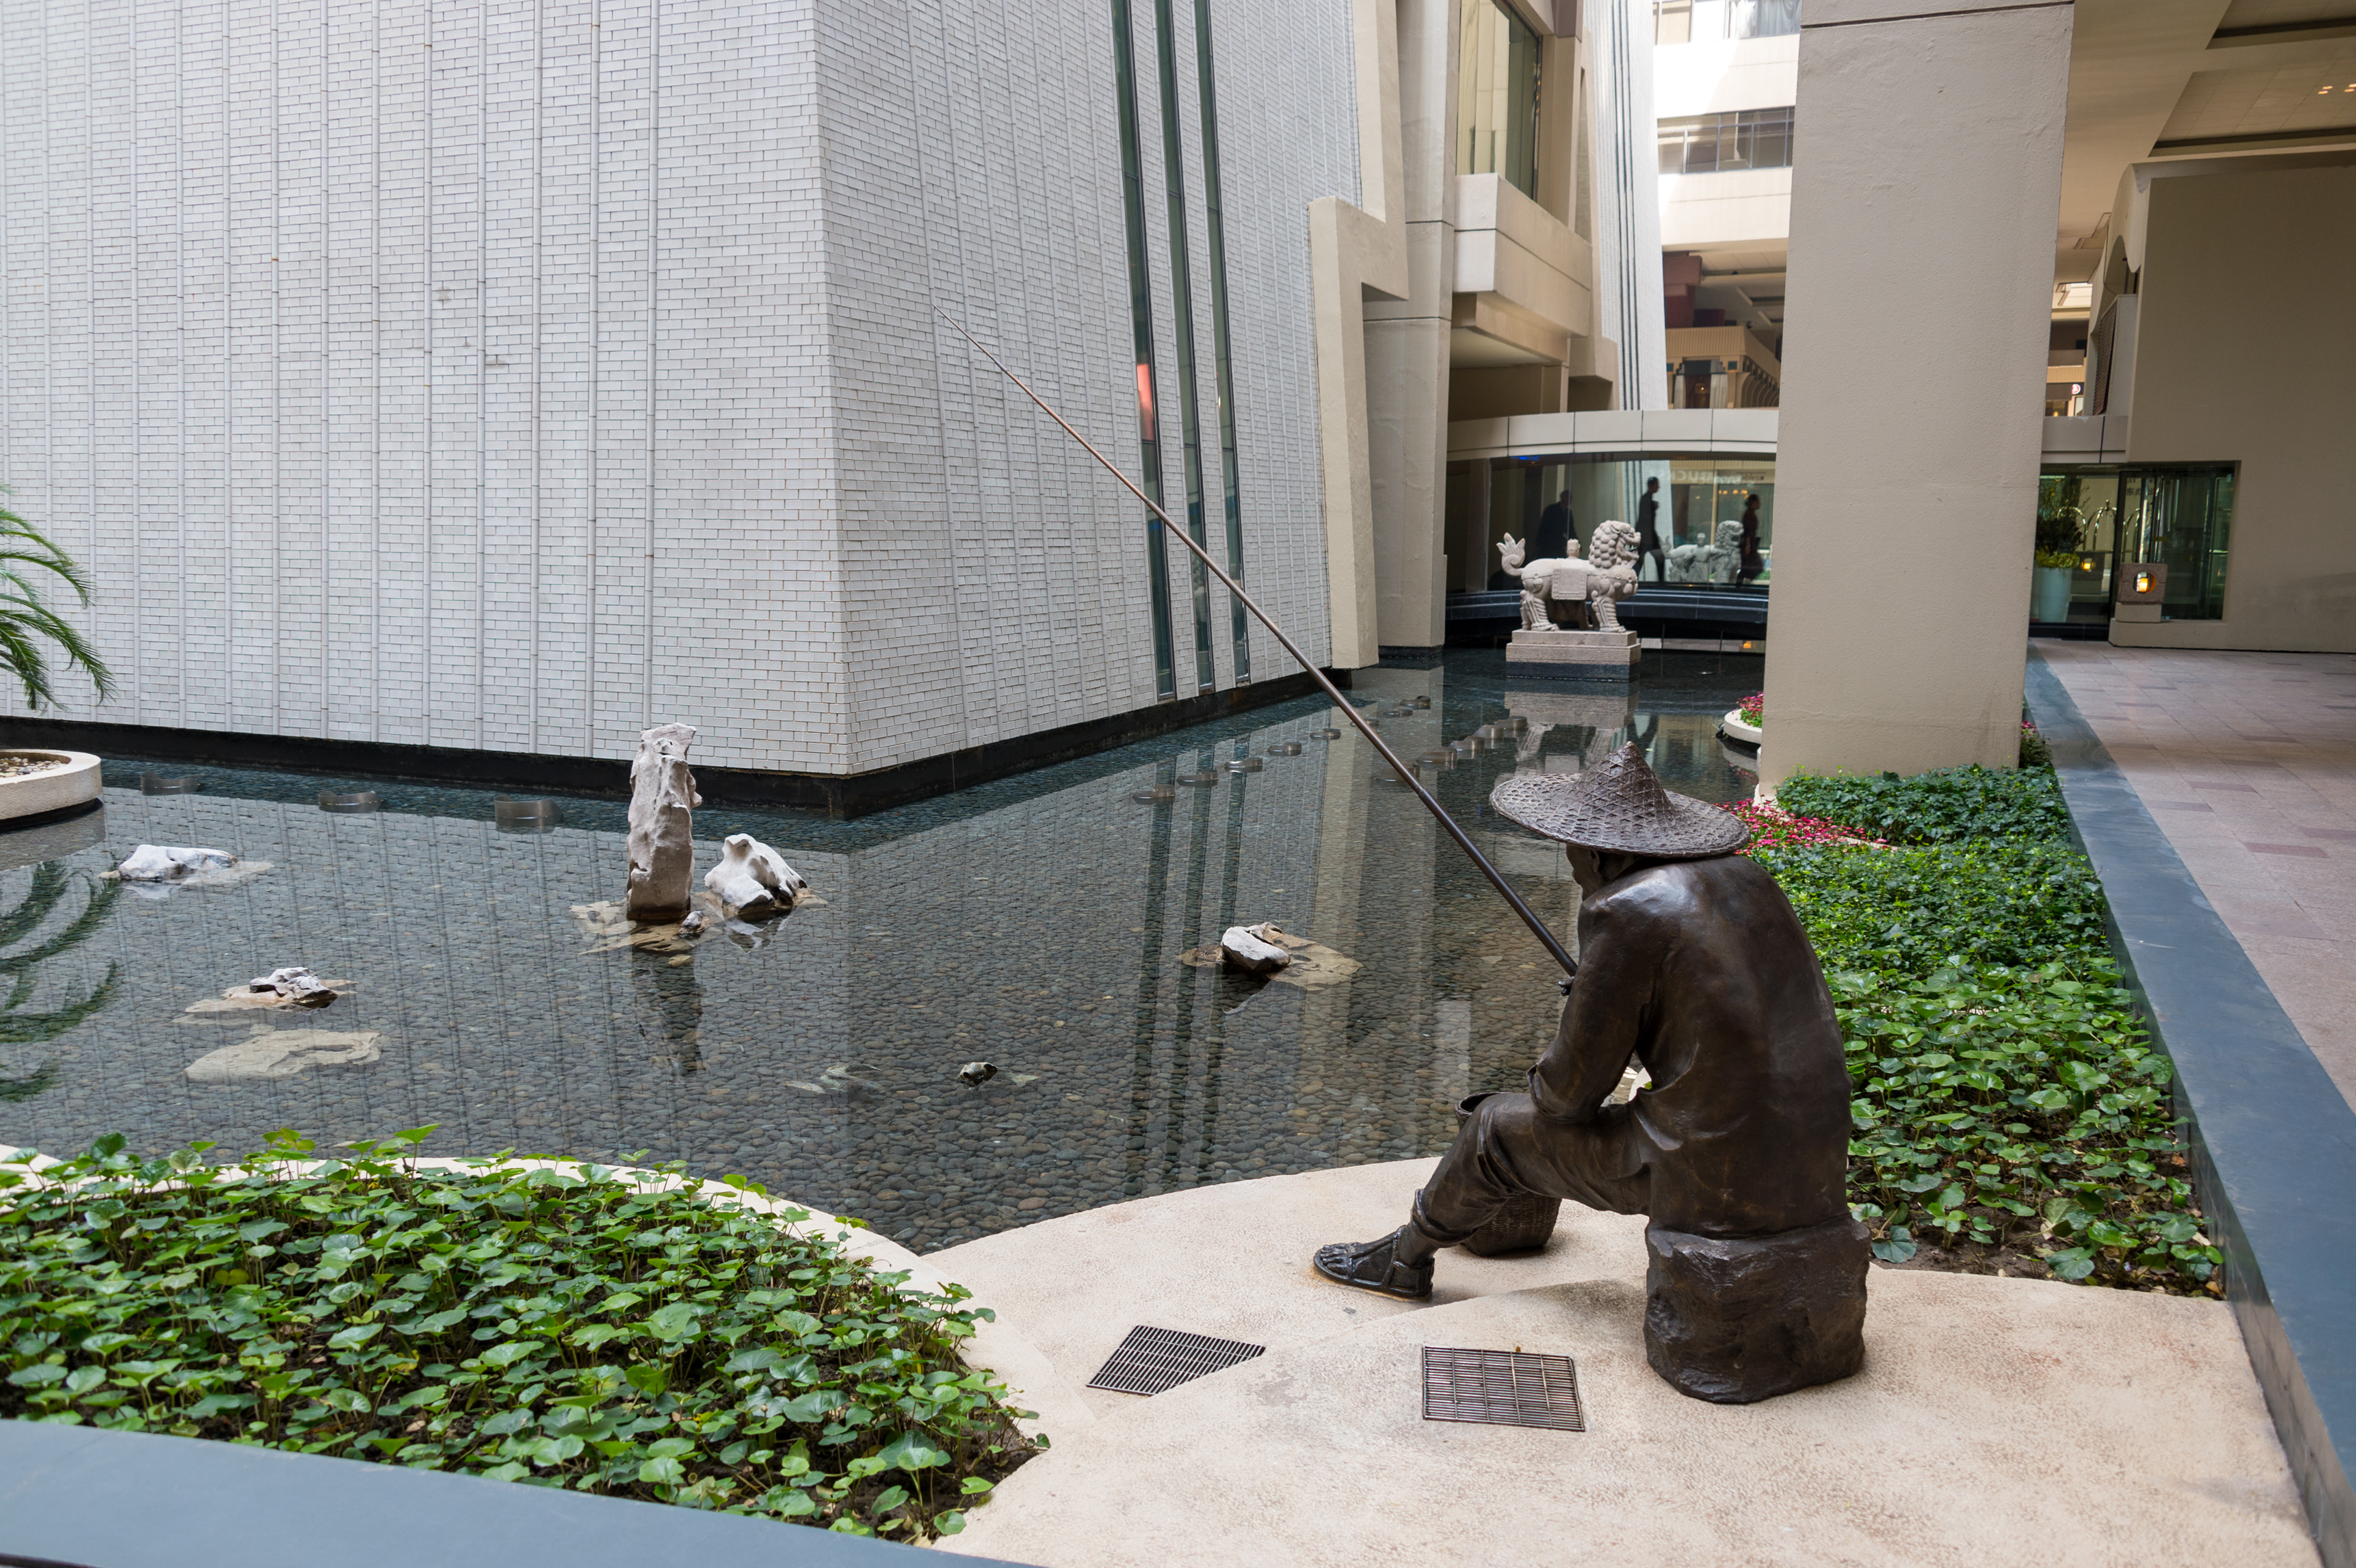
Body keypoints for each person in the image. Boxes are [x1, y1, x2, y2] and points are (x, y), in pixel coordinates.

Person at [1311, 742, 1852, 1300]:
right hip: (1812, 1155)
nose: (1572, 869)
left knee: (1491, 1128)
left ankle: (1403, 1262)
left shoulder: (1626, 910)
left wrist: (1581, 1015)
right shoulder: (1750, 881)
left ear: (1596, 855)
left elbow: (1566, 1099)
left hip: (1711, 1167)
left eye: (1570, 852)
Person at [1633, 477, 1664, 582]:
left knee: (1640, 561)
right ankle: (1661, 584)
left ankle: (1634, 581)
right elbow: (1646, 520)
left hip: (1646, 537)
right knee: (1642, 561)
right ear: (1651, 486)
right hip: (1646, 538)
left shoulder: (1647, 499)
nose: (1658, 487)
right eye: (1657, 485)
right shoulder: (1646, 500)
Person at [1533, 490, 1574, 563]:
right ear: (1563, 498)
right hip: (1548, 543)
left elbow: (1571, 530)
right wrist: (1538, 543)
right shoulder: (1551, 509)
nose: (1570, 500)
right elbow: (1543, 527)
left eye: (1571, 498)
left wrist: (1576, 543)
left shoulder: (1568, 513)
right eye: (1568, 497)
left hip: (1560, 544)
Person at [1737, 491, 1765, 586]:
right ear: (1754, 502)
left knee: (1749, 567)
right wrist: (1748, 546)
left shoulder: (1750, 513)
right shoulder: (1749, 514)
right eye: (1758, 502)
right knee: (1753, 567)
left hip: (1750, 544)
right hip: (1749, 545)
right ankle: (1741, 585)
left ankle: (1740, 586)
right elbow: (1748, 530)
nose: (1759, 504)